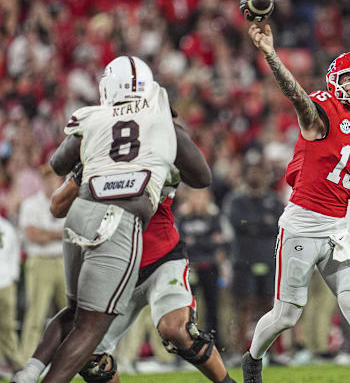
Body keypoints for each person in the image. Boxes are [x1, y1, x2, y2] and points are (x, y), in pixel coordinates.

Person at [241, 23, 350, 383]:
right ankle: (252, 358)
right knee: (287, 316)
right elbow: (296, 96)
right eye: (349, 78)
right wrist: (271, 55)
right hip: (303, 223)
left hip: (337, 229)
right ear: (335, 83)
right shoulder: (322, 111)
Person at [13, 122, 236, 383]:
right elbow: (57, 206)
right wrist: (83, 173)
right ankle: (31, 371)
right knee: (88, 354)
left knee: (176, 330)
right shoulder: (96, 157)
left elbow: (200, 177)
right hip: (116, 269)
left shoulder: (159, 150)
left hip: (160, 259)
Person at [34, 55, 178, 383]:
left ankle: (31, 373)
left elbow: (56, 204)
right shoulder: (158, 125)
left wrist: (86, 170)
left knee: (77, 321)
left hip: (117, 238)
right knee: (90, 335)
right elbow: (201, 174)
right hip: (125, 240)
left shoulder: (98, 125)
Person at [222, 159, 284, 354]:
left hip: (269, 258)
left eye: (259, 171)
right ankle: (241, 351)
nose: (255, 175)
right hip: (243, 260)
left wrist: (251, 224)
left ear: (266, 176)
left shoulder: (274, 200)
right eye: (252, 171)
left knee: (270, 306)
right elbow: (236, 223)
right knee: (243, 306)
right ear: (245, 175)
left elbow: (279, 225)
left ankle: (272, 352)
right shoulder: (236, 200)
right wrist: (262, 223)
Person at [17, 165, 65, 359]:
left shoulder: (68, 203)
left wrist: (46, 234)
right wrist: (58, 235)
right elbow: (32, 235)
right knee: (35, 314)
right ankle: (24, 360)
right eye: (46, 179)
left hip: (63, 261)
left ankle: (76, 358)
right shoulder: (30, 204)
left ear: (59, 181)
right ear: (41, 181)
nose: (50, 182)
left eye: (53, 178)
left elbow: (70, 233)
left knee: (70, 313)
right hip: (39, 262)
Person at [176, 187, 227, 349]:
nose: (198, 200)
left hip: (210, 267)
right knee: (188, 309)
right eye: (195, 196)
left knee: (213, 307)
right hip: (190, 267)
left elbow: (219, 241)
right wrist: (206, 241)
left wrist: (196, 241)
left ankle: (215, 344)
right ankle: (188, 345)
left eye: (201, 196)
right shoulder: (182, 216)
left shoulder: (214, 216)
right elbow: (181, 242)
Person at [0, 212, 23, 375]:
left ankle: (17, 366)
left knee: (7, 327)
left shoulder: (7, 227)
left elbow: (15, 254)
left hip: (5, 283)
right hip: (6, 282)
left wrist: (14, 278)